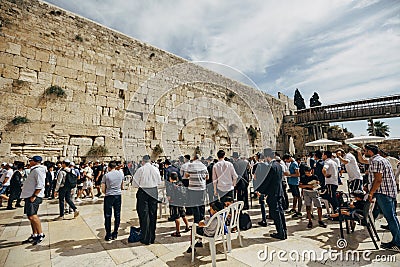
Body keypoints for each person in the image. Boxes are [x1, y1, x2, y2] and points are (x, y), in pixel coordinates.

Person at [357, 144, 400, 251]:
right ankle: (397, 240)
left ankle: (398, 243)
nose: (364, 152)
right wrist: (358, 152)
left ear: (370, 152)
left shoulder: (376, 161)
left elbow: (378, 179)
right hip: (388, 192)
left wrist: (371, 192)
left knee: (391, 218)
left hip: (383, 193)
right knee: (392, 217)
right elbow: (362, 160)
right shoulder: (379, 159)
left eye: (365, 151)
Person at [257, 148, 287, 240]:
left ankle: (280, 233)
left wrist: (260, 191)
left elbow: (267, 181)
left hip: (273, 193)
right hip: (279, 191)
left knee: (275, 213)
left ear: (266, 156)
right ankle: (284, 231)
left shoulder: (271, 166)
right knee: (280, 212)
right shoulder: (278, 165)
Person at [132, 155, 162, 245]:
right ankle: (152, 237)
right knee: (153, 214)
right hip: (153, 191)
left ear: (143, 161)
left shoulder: (140, 169)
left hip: (143, 192)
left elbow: (134, 184)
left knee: (144, 214)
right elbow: (159, 181)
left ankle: (146, 238)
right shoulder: (156, 169)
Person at [20, 156, 46, 245]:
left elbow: (40, 184)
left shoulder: (38, 170)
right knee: (30, 216)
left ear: (35, 162)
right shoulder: (34, 170)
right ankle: (34, 234)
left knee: (33, 216)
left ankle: (40, 234)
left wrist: (34, 195)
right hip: (30, 195)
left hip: (34, 196)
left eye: (30, 160)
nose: (29, 162)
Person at [102, 161, 124, 241]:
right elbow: (122, 186)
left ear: (109, 167)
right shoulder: (120, 175)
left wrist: (108, 192)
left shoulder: (106, 176)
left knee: (108, 215)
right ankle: (115, 233)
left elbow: (103, 189)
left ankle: (108, 235)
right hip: (118, 195)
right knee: (117, 214)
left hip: (109, 196)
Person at [186, 154, 209, 224]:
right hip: (201, 187)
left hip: (192, 188)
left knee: (194, 204)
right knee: (201, 203)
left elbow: (186, 175)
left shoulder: (190, 165)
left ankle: (196, 220)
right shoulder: (204, 166)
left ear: (194, 158)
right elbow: (207, 177)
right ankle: (201, 219)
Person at [167, 172, 190, 237]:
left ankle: (178, 231)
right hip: (181, 201)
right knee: (183, 214)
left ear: (170, 178)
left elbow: (169, 197)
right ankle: (187, 226)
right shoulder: (180, 183)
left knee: (176, 216)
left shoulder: (170, 185)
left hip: (174, 202)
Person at [282, 154, 302, 218]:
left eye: (287, 160)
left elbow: (298, 174)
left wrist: (289, 175)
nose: (286, 161)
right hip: (291, 182)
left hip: (295, 183)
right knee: (295, 196)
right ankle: (294, 208)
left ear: (289, 158)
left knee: (298, 196)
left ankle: (299, 211)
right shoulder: (292, 163)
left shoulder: (294, 164)